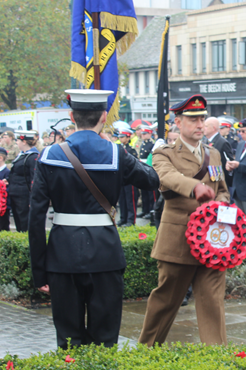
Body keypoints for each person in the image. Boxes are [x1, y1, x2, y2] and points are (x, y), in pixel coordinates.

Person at [29, 89, 160, 349]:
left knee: (68, 340)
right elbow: (152, 179)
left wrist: (39, 271)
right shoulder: (116, 153)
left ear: (71, 116)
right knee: (105, 340)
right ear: (103, 116)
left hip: (61, 257)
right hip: (105, 255)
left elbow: (35, 218)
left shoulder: (48, 156)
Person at [139, 94, 230, 347]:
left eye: (202, 119)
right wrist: (195, 188)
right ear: (178, 123)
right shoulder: (163, 153)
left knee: (213, 300)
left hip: (212, 241)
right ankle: (147, 352)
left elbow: (222, 189)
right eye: (193, 120)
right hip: (178, 239)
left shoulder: (213, 154)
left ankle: (216, 356)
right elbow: (166, 177)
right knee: (166, 300)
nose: (200, 124)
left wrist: (219, 204)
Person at [9, 131, 40, 232]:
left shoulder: (32, 156)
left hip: (24, 195)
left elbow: (34, 179)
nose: (16, 142)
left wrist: (32, 198)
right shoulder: (22, 155)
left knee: (24, 222)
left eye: (18, 140)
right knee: (18, 221)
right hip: (16, 193)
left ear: (24, 142)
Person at [117, 128, 139, 227]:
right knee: (122, 199)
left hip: (130, 178)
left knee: (130, 200)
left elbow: (134, 165)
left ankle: (131, 220)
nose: (121, 139)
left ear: (128, 137)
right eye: (120, 137)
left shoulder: (131, 150)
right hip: (121, 178)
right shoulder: (120, 149)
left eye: (123, 137)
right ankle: (123, 218)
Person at [204, 117, 234, 188]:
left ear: (213, 128)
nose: (203, 128)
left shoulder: (222, 142)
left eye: (206, 126)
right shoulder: (206, 141)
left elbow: (229, 163)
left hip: (219, 182)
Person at [138, 126, 156, 218]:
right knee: (144, 191)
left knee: (150, 192)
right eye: (142, 134)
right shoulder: (143, 144)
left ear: (150, 134)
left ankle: (151, 210)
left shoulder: (152, 144)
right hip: (142, 167)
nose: (143, 136)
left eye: (145, 134)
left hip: (148, 167)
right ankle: (145, 210)